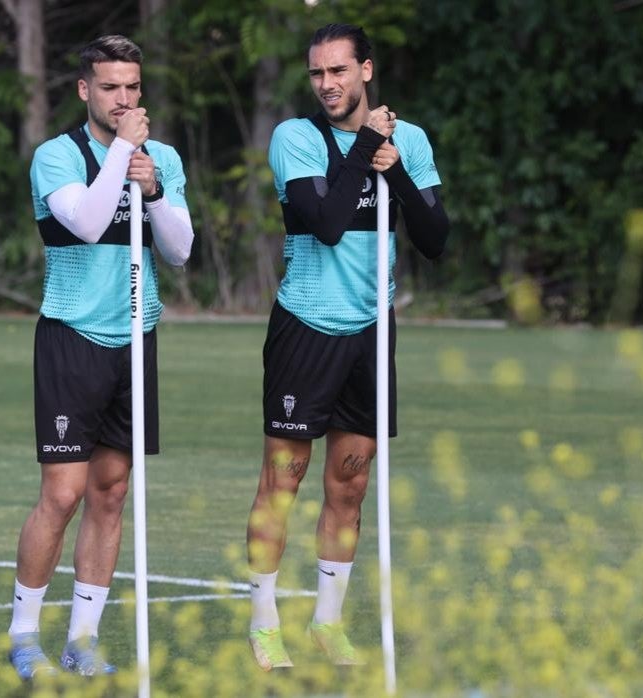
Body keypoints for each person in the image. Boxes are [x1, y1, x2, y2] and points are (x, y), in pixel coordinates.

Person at [244, 23, 449, 671]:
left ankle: (328, 624)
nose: (327, 85)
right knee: (284, 480)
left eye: (338, 71)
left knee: (350, 485)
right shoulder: (295, 138)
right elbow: (326, 224)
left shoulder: (406, 140)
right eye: (317, 75)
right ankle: (265, 620)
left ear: (365, 70)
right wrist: (365, 148)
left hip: (370, 330)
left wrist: (398, 173)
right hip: (306, 326)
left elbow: (436, 239)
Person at [7, 34, 194, 680]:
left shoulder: (158, 157)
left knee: (111, 494)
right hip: (73, 337)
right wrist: (121, 155)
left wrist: (158, 189)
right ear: (85, 90)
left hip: (135, 336)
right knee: (63, 493)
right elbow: (85, 223)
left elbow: (180, 250)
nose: (123, 98)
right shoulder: (56, 157)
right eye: (110, 87)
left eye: (132, 88)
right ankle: (24, 635)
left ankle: (81, 640)